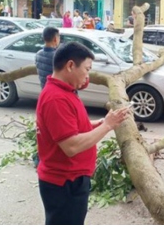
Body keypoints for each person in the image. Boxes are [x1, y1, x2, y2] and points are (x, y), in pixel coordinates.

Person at [36, 42, 129, 225]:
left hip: (71, 179)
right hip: (64, 182)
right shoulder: (57, 98)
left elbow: (72, 127)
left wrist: (98, 123)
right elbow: (71, 146)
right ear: (70, 66)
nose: (88, 75)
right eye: (87, 69)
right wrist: (107, 126)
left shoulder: (65, 91)